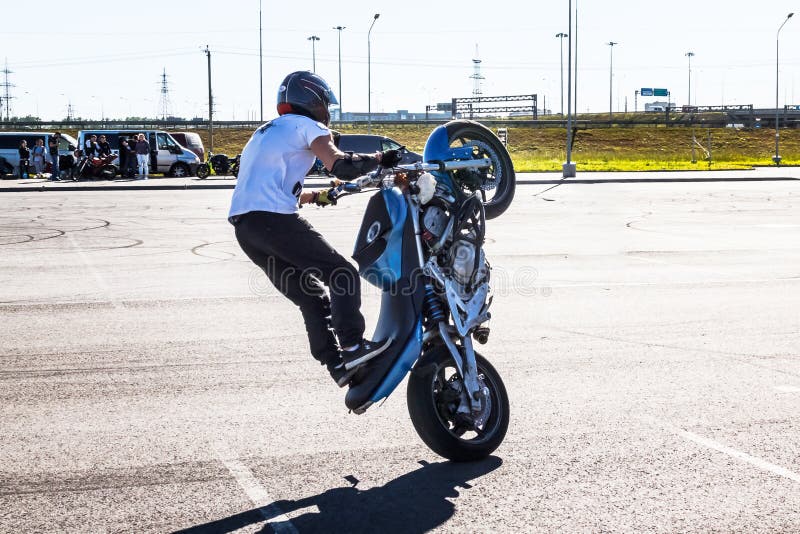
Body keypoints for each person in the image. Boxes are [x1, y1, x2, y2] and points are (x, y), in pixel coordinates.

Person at [228, 71, 401, 388]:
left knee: (310, 298)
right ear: (312, 101)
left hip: (246, 229)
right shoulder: (308, 126)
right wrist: (380, 158)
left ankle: (338, 367)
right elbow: (342, 165)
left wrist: (313, 195)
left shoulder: (265, 132)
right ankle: (352, 347)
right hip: (273, 221)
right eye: (326, 105)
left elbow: (268, 185)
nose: (329, 113)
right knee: (342, 274)